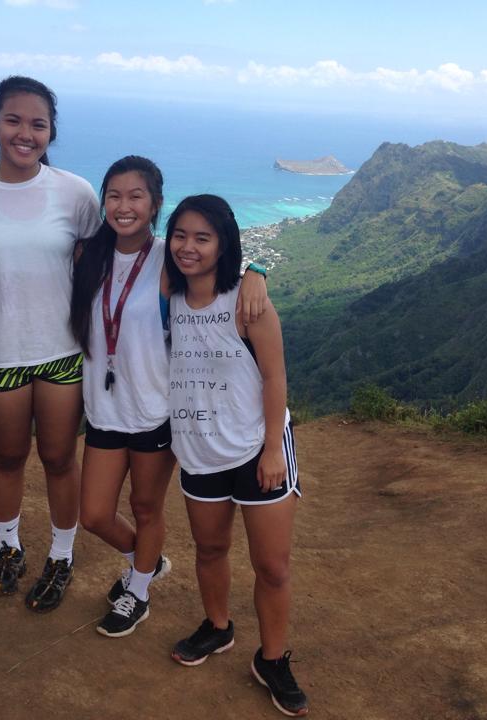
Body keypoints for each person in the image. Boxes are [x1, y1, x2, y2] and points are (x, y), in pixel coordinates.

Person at [0, 76, 102, 612]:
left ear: (51, 131)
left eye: (38, 124)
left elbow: (105, 259)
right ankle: (9, 549)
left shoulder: (75, 193)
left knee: (59, 459)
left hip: (60, 350)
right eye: (14, 120)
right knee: (7, 457)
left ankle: (61, 554)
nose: (25, 133)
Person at [164, 195, 308, 716]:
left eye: (203, 237)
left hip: (255, 449)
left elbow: (275, 377)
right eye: (180, 234)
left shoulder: (249, 305)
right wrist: (257, 266)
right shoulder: (170, 296)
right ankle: (218, 626)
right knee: (209, 551)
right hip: (199, 450)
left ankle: (272, 658)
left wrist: (274, 449)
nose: (188, 246)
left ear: (224, 244)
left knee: (272, 566)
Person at [70, 156, 175, 637]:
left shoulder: (168, 259)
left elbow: (226, 268)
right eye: (114, 195)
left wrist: (256, 269)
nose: (123, 205)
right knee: (92, 514)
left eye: (136, 196)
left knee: (146, 507)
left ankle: (138, 591)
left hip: (154, 410)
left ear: (155, 204)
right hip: (105, 411)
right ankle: (145, 563)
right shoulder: (87, 255)